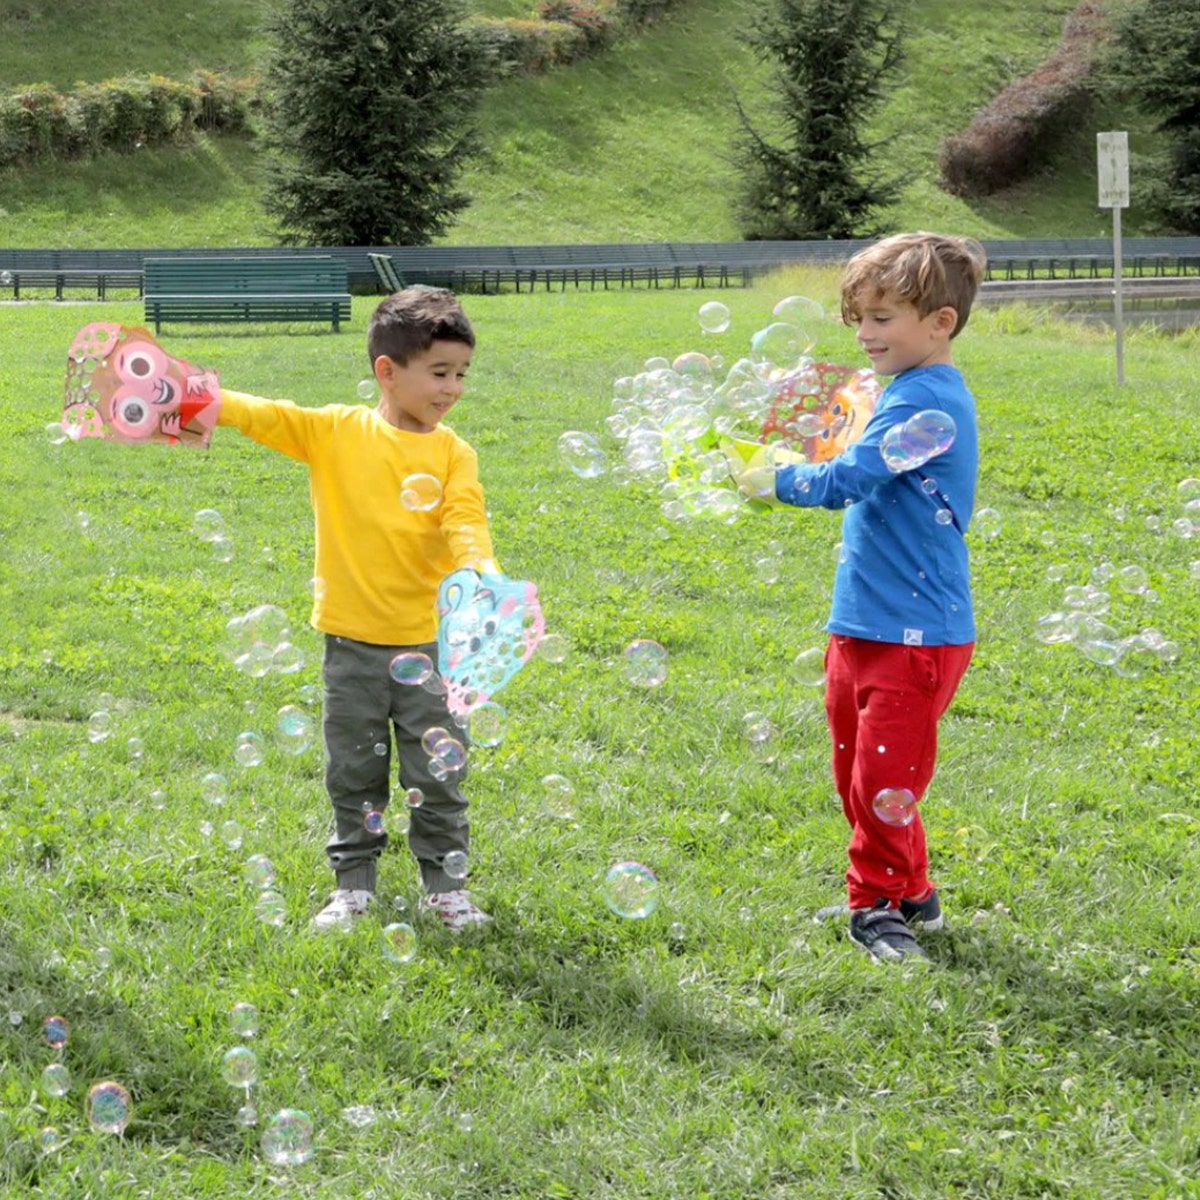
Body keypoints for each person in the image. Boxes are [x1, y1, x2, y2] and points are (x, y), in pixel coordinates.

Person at [216, 286, 498, 932]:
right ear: (387, 371)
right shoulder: (337, 433)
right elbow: (265, 415)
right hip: (350, 644)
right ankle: (353, 887)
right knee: (354, 772)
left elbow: (464, 518)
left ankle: (446, 888)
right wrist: (200, 397)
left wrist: (479, 565)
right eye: (440, 373)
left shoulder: (453, 453)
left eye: (461, 374)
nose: (453, 388)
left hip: (432, 646)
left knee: (440, 774)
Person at [764, 232, 986, 962]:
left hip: (915, 637)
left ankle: (874, 909)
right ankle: (912, 889)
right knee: (862, 778)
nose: (864, 334)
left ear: (940, 322)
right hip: (863, 622)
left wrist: (776, 478)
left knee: (885, 779)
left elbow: (848, 480)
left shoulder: (933, 407)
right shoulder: (902, 393)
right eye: (859, 316)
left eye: (882, 317)